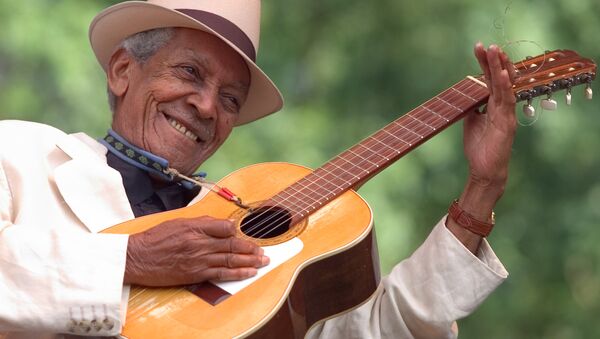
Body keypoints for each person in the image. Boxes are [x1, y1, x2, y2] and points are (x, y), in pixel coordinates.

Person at [0, 0, 516, 338]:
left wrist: (481, 191)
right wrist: (128, 259)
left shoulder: (251, 239)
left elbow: (380, 330)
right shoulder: (20, 153)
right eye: (189, 72)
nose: (206, 106)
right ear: (121, 71)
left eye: (230, 98)